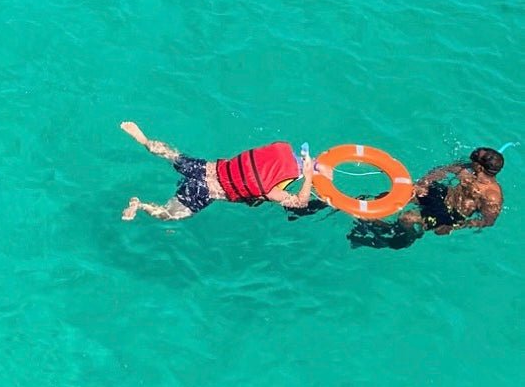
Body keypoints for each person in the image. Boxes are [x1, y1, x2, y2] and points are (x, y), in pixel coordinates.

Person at [120, 120, 315, 221]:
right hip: (204, 192)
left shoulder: (265, 159)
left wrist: (305, 161)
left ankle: (145, 140)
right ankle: (140, 205)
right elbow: (300, 202)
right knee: (169, 215)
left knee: (172, 155)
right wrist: (307, 178)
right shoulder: (271, 191)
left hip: (203, 168)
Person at [346, 147, 504, 249]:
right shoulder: (468, 169)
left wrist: (458, 226)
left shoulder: (492, 196)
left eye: (473, 161)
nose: (469, 162)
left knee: (406, 218)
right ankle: (374, 209)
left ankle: (407, 237)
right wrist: (423, 183)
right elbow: (443, 170)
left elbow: (488, 221)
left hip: (451, 214)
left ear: (480, 167)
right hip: (442, 194)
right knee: (398, 194)